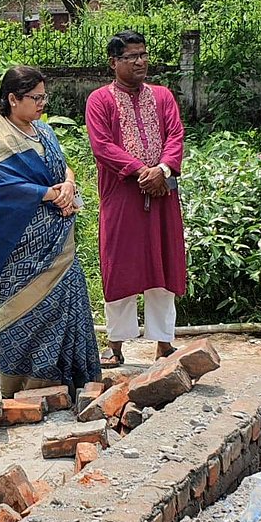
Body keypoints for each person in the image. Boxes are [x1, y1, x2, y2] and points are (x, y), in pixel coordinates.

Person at [0, 65, 100, 396]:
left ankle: (71, 381)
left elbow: (64, 165)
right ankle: (24, 385)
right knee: (27, 310)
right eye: (36, 97)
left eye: (44, 96)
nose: (42, 103)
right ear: (14, 99)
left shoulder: (44, 131)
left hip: (60, 237)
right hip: (23, 244)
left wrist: (69, 185)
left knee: (67, 303)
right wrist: (49, 193)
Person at [85, 30, 187, 367]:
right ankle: (116, 347)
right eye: (132, 56)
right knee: (121, 267)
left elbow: (175, 135)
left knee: (163, 265)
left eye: (143, 54)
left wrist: (163, 170)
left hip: (162, 194)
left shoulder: (162, 96)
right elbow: (102, 146)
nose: (140, 61)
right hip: (122, 196)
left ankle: (164, 344)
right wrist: (141, 171)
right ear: (114, 62)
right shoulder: (100, 100)